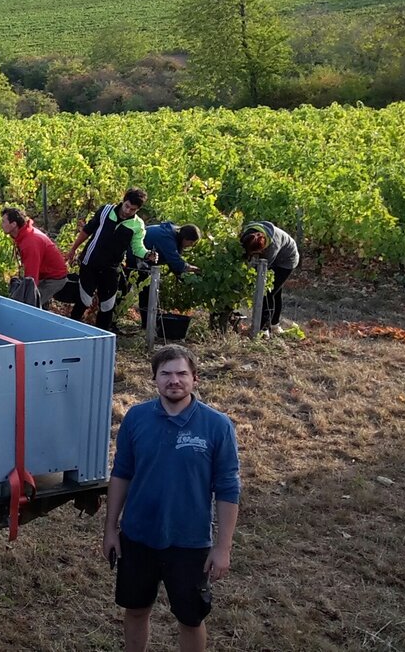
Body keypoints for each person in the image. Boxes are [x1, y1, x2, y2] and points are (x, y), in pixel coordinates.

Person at [103, 345, 240, 652]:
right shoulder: (137, 418)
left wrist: (222, 548)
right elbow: (121, 473)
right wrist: (111, 529)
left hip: (189, 542)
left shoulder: (217, 426)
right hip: (138, 537)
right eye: (165, 374)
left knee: (191, 618)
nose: (174, 380)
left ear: (196, 378)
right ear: (154, 379)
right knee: (136, 610)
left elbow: (229, 489)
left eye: (181, 373)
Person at [66, 188, 152, 329]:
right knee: (84, 300)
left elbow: (138, 248)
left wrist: (148, 254)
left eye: (132, 210)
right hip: (90, 263)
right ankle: (69, 330)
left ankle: (102, 338)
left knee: (107, 306)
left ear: (138, 210)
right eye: (127, 206)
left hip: (111, 268)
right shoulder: (106, 211)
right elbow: (87, 230)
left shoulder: (137, 226)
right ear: (123, 201)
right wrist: (73, 249)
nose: (127, 211)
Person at [240, 221, 299, 336]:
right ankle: (274, 325)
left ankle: (264, 328)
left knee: (268, 291)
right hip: (276, 254)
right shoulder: (246, 237)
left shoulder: (272, 246)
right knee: (274, 293)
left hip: (286, 260)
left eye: (258, 253)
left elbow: (261, 273)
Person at [1, 206, 69, 306]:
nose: (1, 225)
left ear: (13, 224)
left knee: (29, 305)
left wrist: (27, 296)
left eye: (3, 222)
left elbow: (31, 279)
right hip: (45, 275)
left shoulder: (29, 243)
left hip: (54, 279)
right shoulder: (23, 234)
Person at [139, 223, 202, 322]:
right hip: (135, 256)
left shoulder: (174, 234)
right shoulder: (167, 238)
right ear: (185, 239)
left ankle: (148, 322)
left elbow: (173, 263)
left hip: (144, 259)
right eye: (190, 243)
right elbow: (175, 262)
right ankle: (147, 324)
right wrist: (192, 268)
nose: (189, 246)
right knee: (145, 291)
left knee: (147, 290)